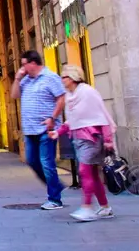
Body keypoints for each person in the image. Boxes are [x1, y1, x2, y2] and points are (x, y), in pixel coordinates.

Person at [48, 65, 117, 221]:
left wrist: (108, 140)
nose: (61, 80)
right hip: (79, 139)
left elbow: (102, 115)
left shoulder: (87, 92)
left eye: (64, 77)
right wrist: (57, 132)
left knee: (84, 171)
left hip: (92, 138)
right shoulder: (70, 96)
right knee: (92, 173)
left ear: (72, 78)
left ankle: (87, 208)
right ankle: (105, 207)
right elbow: (72, 120)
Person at [12, 50, 67, 210]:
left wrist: (52, 117)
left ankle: (55, 199)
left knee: (47, 163)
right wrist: (17, 78)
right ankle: (56, 186)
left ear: (33, 63)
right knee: (32, 161)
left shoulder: (51, 77)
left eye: (24, 64)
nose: (22, 68)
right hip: (29, 130)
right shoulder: (26, 81)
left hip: (46, 129)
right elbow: (15, 95)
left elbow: (61, 99)